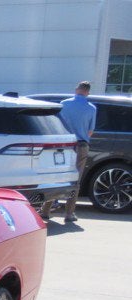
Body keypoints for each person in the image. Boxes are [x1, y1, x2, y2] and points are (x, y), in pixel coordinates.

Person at [42, 81, 96, 222]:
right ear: (88, 92)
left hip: (62, 145)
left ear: (77, 89)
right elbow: (90, 131)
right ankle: (69, 213)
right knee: (74, 180)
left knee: (55, 177)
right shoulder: (91, 108)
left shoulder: (64, 104)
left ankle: (45, 211)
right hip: (81, 145)